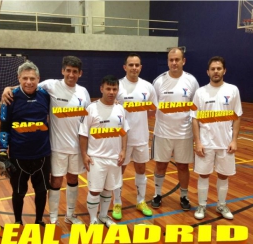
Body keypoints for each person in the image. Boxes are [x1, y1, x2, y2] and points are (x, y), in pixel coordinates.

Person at [2, 56, 91, 225]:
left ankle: (70, 215)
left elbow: (90, 116)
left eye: (75, 71)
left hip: (77, 147)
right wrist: (8, 88)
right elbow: (28, 83)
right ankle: (53, 218)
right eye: (68, 70)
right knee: (55, 181)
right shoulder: (50, 85)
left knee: (73, 179)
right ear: (62, 71)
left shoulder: (84, 92)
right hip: (56, 146)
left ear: (80, 73)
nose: (71, 74)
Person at [0, 61, 51, 226]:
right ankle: (18, 221)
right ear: (18, 79)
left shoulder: (45, 95)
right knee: (19, 192)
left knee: (42, 191)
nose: (29, 82)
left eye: (32, 78)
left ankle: (39, 220)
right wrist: (2, 152)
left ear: (38, 79)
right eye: (25, 78)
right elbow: (4, 126)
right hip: (18, 155)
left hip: (42, 153)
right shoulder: (10, 98)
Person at [191, 56, 242, 220]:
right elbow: (195, 118)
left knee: (223, 175)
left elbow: (237, 116)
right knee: (204, 175)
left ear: (224, 71)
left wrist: (234, 140)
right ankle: (202, 205)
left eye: (219, 68)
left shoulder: (233, 90)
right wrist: (197, 142)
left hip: (225, 142)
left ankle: (221, 205)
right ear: (208, 72)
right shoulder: (200, 92)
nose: (216, 71)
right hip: (206, 143)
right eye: (213, 69)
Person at [151, 47, 199, 210]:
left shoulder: (191, 81)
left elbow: (196, 107)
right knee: (161, 165)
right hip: (163, 132)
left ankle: (184, 196)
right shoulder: (159, 81)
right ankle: (157, 194)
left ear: (183, 61)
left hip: (184, 133)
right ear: (167, 62)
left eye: (177, 60)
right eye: (171, 60)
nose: (174, 63)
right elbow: (152, 105)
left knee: (183, 166)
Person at [112, 53, 157, 220]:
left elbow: (153, 110)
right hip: (122, 139)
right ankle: (117, 202)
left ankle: (141, 201)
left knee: (141, 169)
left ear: (141, 67)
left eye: (137, 65)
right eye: (131, 65)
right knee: (119, 171)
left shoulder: (148, 87)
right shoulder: (117, 86)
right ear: (125, 67)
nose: (134, 68)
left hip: (142, 137)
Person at [79, 75, 129, 226]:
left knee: (108, 189)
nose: (111, 92)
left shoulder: (120, 108)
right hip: (96, 158)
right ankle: (93, 219)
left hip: (114, 157)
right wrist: (84, 155)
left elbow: (124, 131)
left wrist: (123, 151)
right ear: (102, 89)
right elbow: (83, 134)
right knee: (94, 191)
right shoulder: (91, 108)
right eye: (108, 88)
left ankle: (103, 216)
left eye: (114, 89)